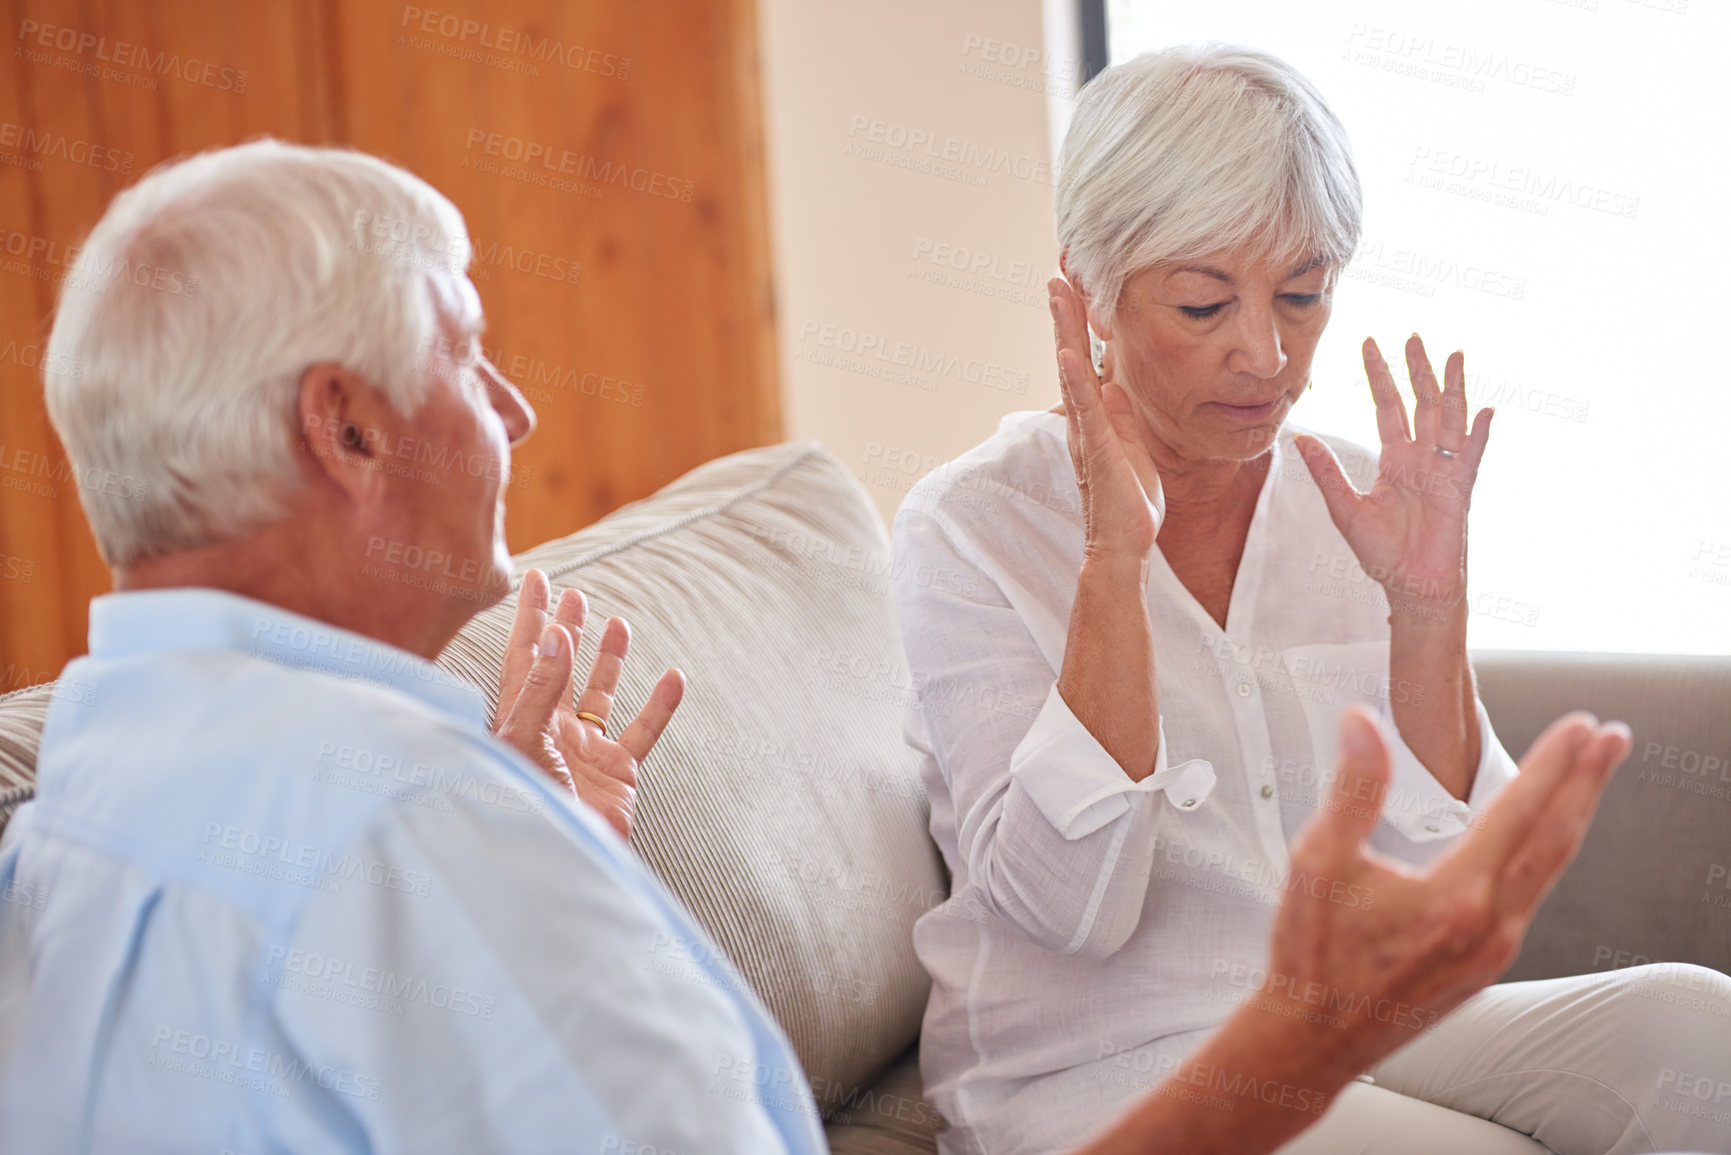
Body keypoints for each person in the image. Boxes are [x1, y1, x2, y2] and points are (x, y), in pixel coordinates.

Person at [0, 138, 1668, 1155]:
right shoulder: (406, 827)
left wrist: (549, 859)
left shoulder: (99, 790)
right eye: (467, 353)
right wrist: (1290, 1048)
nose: (511, 407)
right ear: (348, 428)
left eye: (1300, 292)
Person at [890, 44, 1731, 1155]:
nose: (1266, 353)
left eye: (1302, 295)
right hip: (1100, 1065)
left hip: (1357, 1023)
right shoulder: (970, 526)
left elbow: (1446, 899)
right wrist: (1114, 566)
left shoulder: (1345, 495)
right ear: (1085, 291)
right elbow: (1070, 915)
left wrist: (1428, 609)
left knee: (1698, 1034)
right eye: (1202, 305)